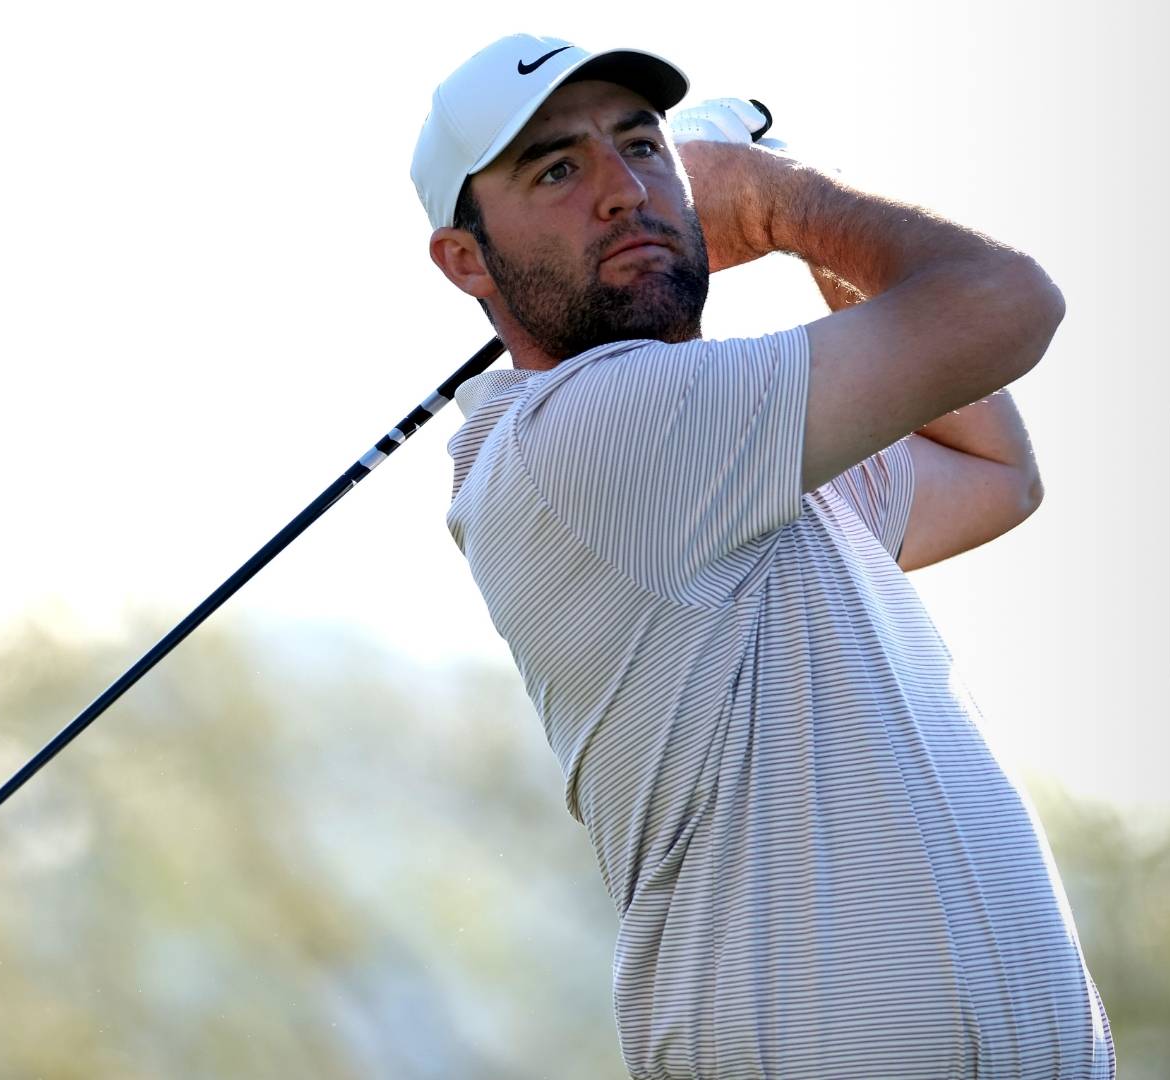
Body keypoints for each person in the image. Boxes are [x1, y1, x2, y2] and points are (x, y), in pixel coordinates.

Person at [412, 33, 1114, 1080]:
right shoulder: (593, 430)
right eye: (557, 170)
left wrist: (816, 247)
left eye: (643, 148)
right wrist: (788, 205)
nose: (623, 192)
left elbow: (996, 474)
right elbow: (1008, 303)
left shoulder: (742, 459)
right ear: (467, 261)